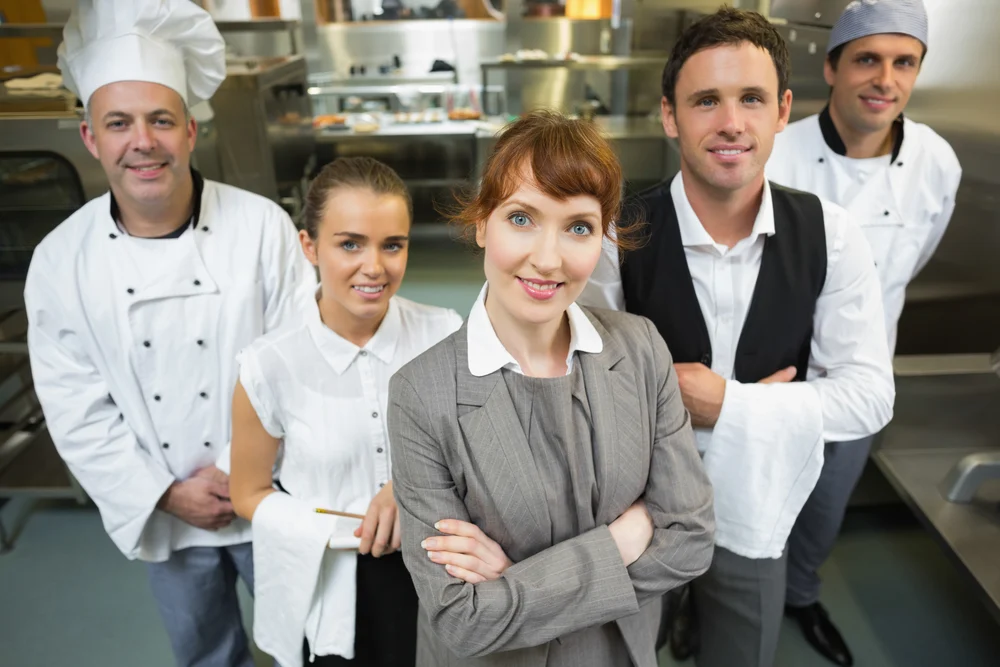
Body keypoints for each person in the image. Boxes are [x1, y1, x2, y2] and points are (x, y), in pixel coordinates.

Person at [579, 8, 895, 667]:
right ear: (671, 116)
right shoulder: (617, 235)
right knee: (626, 650)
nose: (730, 123)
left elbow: (869, 397)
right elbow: (582, 378)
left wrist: (733, 405)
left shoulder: (830, 235)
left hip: (758, 504)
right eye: (705, 101)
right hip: (640, 506)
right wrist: (673, 397)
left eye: (750, 98)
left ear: (781, 110)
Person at [23, 1, 316, 665]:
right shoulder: (61, 260)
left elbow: (302, 361)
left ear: (189, 130)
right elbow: (74, 405)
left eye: (160, 120)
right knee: (206, 654)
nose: (142, 141)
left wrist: (249, 474)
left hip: (274, 492)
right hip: (163, 509)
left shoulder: (261, 227)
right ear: (90, 137)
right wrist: (165, 492)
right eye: (118, 123)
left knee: (310, 645)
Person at [386, 110, 716, 667]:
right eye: (522, 218)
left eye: (579, 227)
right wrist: (618, 543)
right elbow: (461, 620)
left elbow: (691, 540)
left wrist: (515, 582)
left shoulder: (639, 350)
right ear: (481, 223)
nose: (548, 257)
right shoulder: (421, 395)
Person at [765, 2, 961, 664]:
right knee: (741, 498)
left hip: (858, 378)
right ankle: (706, 597)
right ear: (832, 67)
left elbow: (913, 260)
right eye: (868, 59)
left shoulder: (936, 162)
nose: (885, 78)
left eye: (903, 62)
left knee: (823, 509)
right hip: (771, 372)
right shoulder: (778, 153)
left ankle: (800, 595)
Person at [229, 157, 463, 667]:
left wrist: (411, 488)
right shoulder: (268, 365)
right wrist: (327, 527)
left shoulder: (445, 334)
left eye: (392, 245)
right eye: (350, 243)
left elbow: (475, 449)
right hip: (334, 581)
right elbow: (247, 493)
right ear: (309, 245)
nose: (374, 266)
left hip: (441, 571)